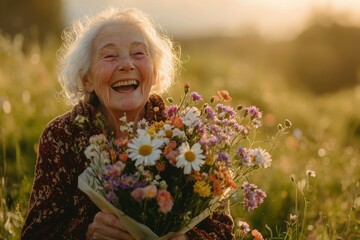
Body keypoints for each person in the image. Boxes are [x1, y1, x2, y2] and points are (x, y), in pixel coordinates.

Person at [21, 7, 235, 240]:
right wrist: (87, 233)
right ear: (87, 79)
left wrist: (186, 239)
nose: (126, 64)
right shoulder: (62, 135)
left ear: (153, 74)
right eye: (110, 56)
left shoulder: (184, 136)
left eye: (139, 54)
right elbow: (36, 233)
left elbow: (222, 229)